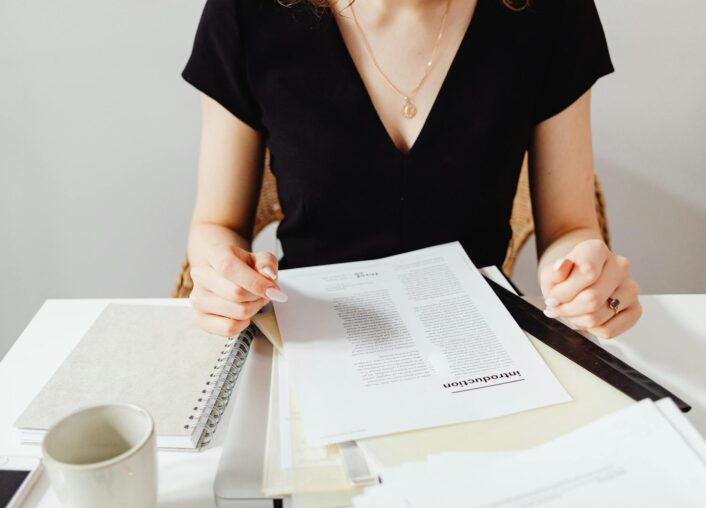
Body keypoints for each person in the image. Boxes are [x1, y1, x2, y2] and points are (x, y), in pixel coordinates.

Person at [181, 0, 641, 339]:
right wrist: (220, 274)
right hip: (316, 340)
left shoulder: (551, 12)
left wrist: (582, 277)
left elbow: (570, 226)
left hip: (484, 343)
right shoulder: (247, 12)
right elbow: (217, 224)